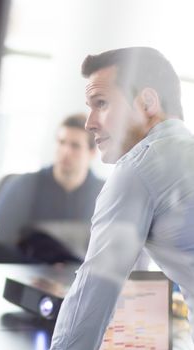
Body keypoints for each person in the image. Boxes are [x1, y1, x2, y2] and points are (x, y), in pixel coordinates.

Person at [50, 47, 194, 349]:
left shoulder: (140, 167)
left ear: (147, 102)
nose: (90, 122)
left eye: (101, 103)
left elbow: (91, 297)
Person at [0, 114, 104, 263]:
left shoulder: (104, 194)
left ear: (92, 152)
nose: (65, 151)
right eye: (61, 142)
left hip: (78, 281)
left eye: (75, 146)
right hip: (26, 277)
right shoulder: (24, 185)